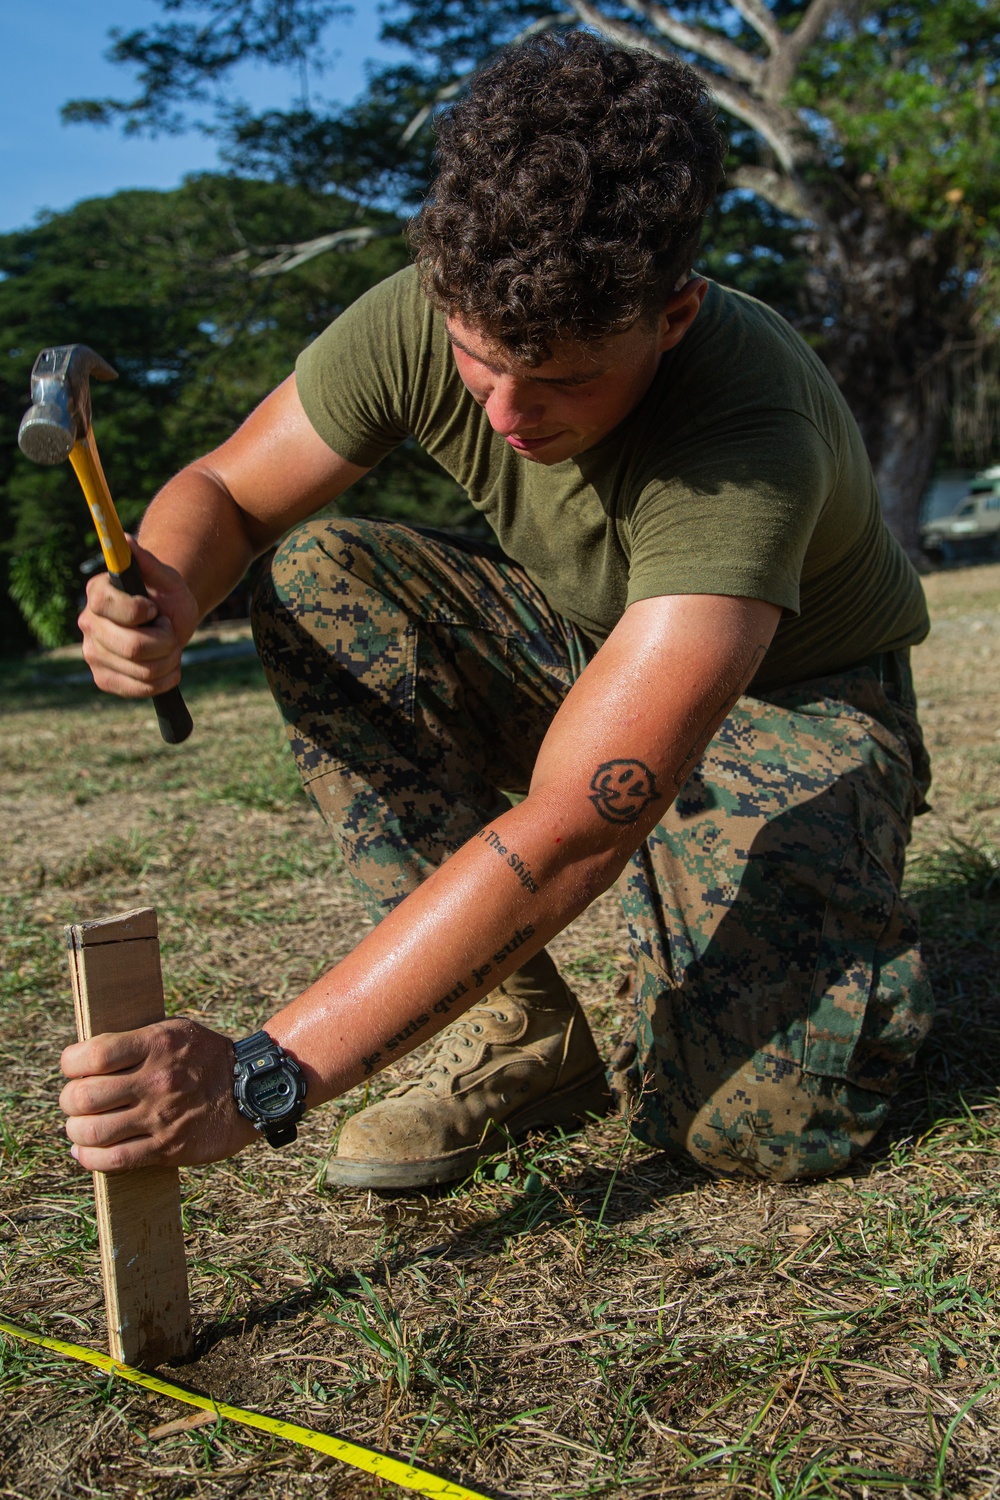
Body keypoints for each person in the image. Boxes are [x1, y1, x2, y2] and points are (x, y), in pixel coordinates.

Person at [60, 32, 934, 1189]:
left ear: (672, 315)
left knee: (757, 1127)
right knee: (325, 581)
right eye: (477, 359)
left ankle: (823, 916)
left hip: (796, 703)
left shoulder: (745, 430)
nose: (510, 411)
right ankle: (524, 1032)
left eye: (566, 375)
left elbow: (580, 817)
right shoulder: (427, 310)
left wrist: (267, 1071)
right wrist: (165, 584)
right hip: (588, 651)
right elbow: (226, 489)